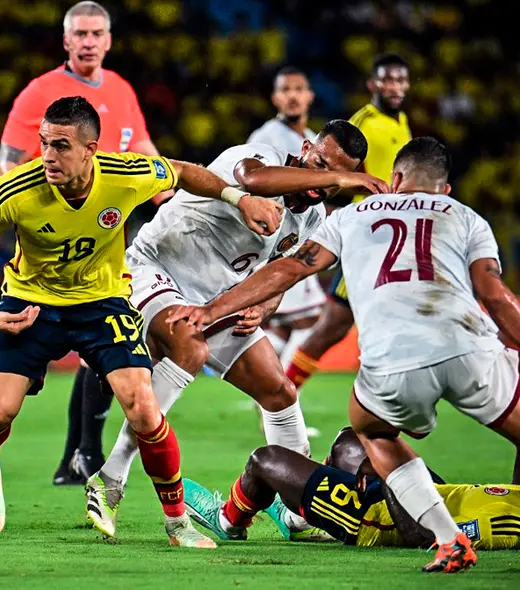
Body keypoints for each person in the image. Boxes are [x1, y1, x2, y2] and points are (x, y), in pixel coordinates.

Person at [167, 137, 520, 573]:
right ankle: (449, 530)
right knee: (353, 442)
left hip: (392, 364)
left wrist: (212, 309)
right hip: (470, 347)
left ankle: (447, 540)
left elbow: (289, 268)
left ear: (394, 179)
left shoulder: (353, 215)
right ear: (444, 191)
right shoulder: (467, 217)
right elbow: (494, 295)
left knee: (368, 434)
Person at [0, 96, 284, 547]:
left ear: (90, 150)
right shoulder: (16, 190)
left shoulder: (123, 173)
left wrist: (239, 197)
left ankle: (177, 523)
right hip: (31, 304)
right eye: (44, 143)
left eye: (61, 146)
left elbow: (183, 171)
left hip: (102, 304)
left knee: (145, 410)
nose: (48, 155)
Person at [86, 121, 389, 538]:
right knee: (189, 349)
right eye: (320, 164)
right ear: (305, 148)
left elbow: (280, 275)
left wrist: (264, 304)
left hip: (216, 300)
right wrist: (338, 178)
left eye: (335, 177)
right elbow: (252, 179)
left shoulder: (313, 218)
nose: (324, 182)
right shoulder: (259, 156)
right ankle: (110, 476)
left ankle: (297, 510)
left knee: (279, 391)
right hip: (155, 268)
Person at [0, 0, 168, 485]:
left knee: (103, 347)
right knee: (49, 357)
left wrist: (171, 201)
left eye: (96, 34)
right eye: (81, 34)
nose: (89, 42)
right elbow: (7, 166)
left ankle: (81, 455)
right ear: (66, 40)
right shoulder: (40, 93)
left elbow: (144, 151)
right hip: (52, 245)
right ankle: (74, 452)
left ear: (109, 41)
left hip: (106, 238)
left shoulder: (121, 90)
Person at [286, 53, 413, 390]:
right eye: (388, 79)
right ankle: (282, 393)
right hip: (367, 237)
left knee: (376, 321)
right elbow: (336, 180)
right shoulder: (363, 123)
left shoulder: (401, 122)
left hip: (393, 237)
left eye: (401, 80)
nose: (395, 86)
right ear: (373, 84)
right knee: (335, 324)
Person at [184, 428, 520, 554]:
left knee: (265, 460)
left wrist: (389, 472)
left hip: (376, 518)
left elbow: (425, 537)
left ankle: (229, 522)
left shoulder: (508, 526)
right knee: (352, 440)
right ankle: (298, 520)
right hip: (429, 490)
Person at [247, 67, 326, 369]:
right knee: (310, 319)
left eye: (298, 89)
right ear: (275, 98)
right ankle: (286, 389)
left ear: (310, 96)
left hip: (299, 234)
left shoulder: (313, 140)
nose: (293, 96)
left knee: (282, 325)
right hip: (275, 236)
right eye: (285, 89)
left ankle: (269, 386)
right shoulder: (264, 136)